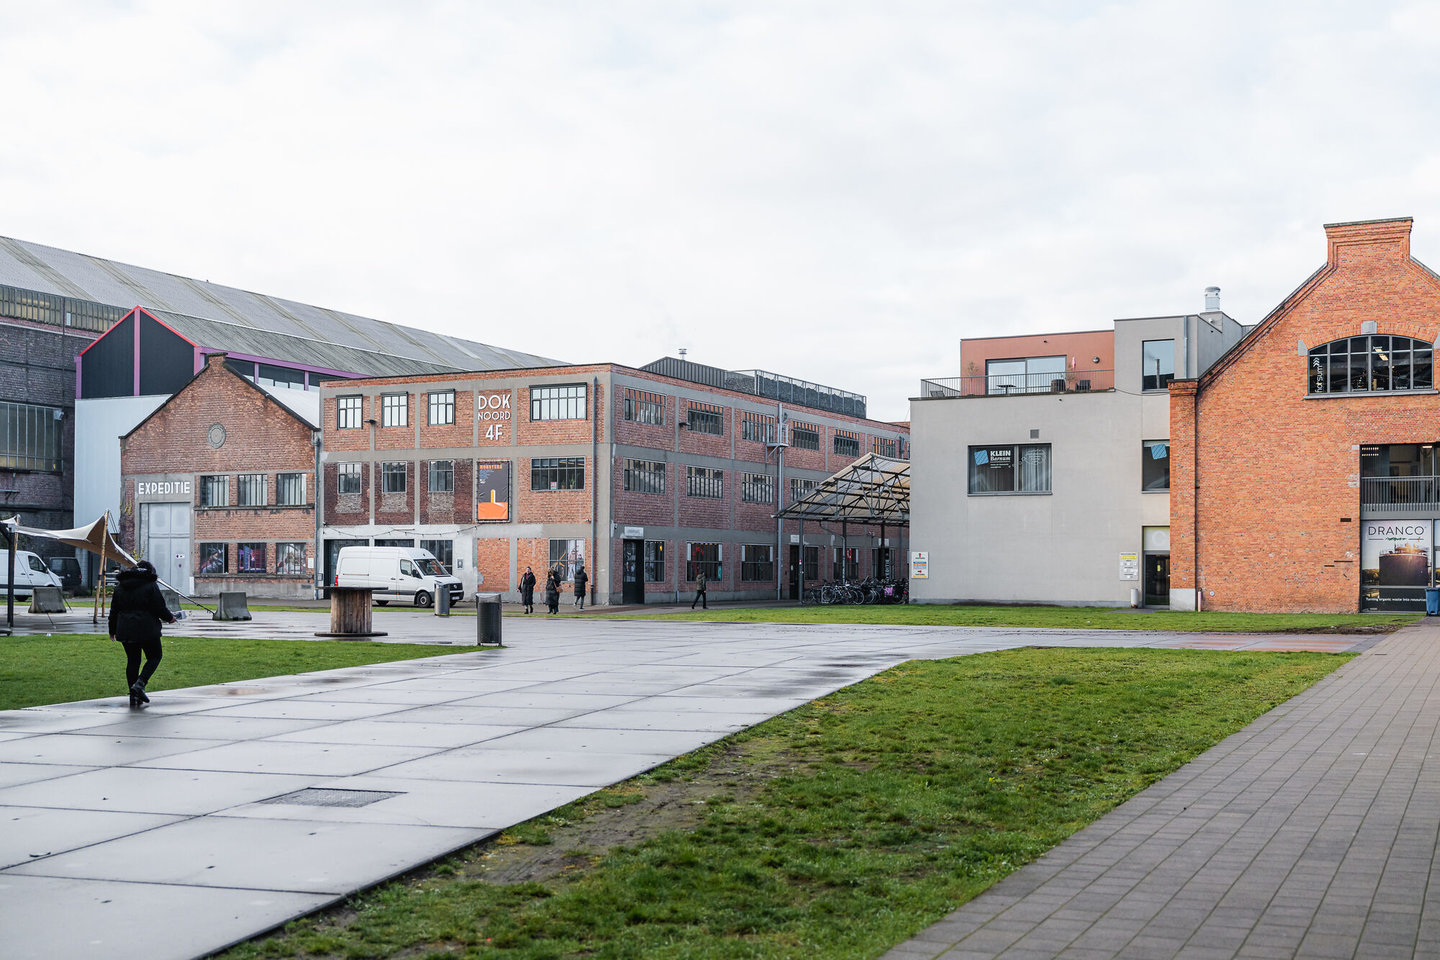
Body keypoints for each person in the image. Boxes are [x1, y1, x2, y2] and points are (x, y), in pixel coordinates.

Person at [108, 560, 177, 708]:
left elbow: (114, 610)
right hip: (147, 629)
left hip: (125, 628)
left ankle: (133, 695)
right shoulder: (150, 585)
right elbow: (159, 607)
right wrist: (170, 618)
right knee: (155, 656)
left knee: (133, 661)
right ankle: (140, 684)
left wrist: (111, 630)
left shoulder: (120, 587)